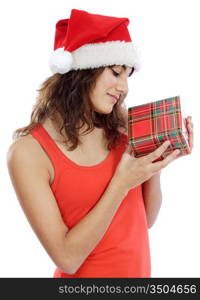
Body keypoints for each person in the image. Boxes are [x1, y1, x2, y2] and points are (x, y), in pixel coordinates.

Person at [6, 9, 193, 278]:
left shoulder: (121, 128)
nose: (125, 87)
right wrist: (121, 184)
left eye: (128, 75)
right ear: (81, 72)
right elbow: (68, 259)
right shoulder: (28, 153)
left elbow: (146, 221)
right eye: (116, 72)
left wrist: (155, 162)